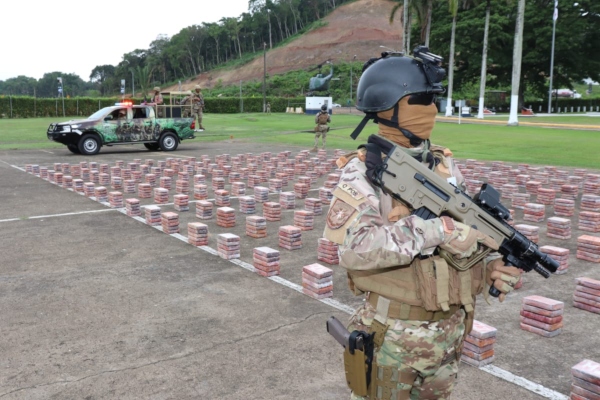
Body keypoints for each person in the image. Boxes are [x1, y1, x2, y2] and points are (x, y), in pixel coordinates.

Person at [323, 47, 522, 400]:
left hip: (448, 336)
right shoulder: (363, 172)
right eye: (421, 99)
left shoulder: (442, 166)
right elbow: (355, 251)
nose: (431, 110)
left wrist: (488, 267)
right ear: (387, 107)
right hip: (393, 339)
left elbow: (462, 240)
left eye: (433, 100)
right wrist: (436, 231)